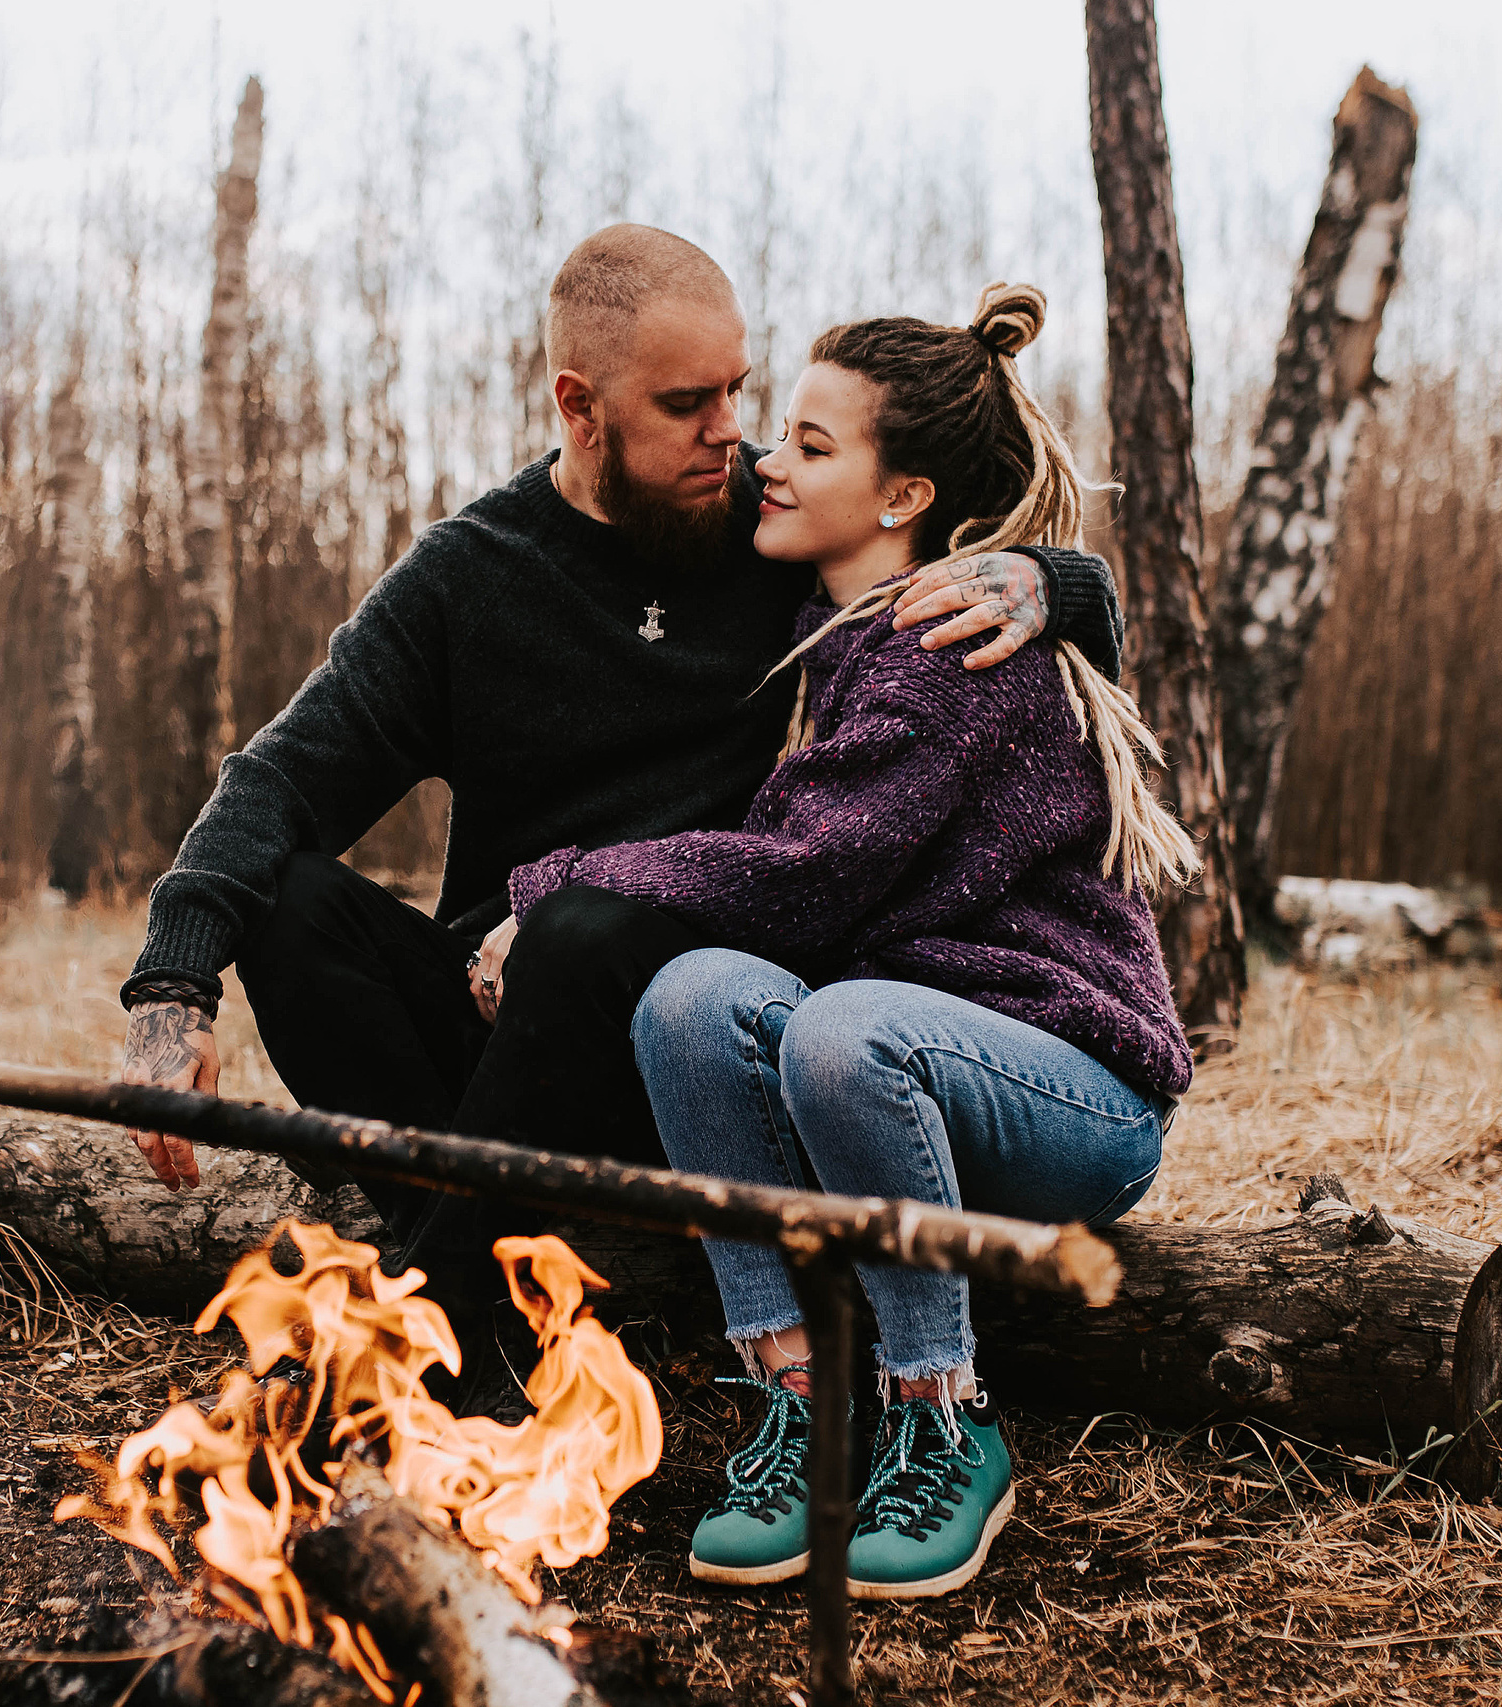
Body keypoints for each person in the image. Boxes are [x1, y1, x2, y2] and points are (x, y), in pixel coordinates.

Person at [111, 227, 1127, 1384]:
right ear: (580, 408)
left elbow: (935, 524)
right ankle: (495, 1245)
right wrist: (170, 993)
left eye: (739, 391)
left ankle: (443, 1320)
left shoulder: (777, 521)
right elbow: (279, 777)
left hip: (681, 1042)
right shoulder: (472, 576)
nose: (732, 434)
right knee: (291, 905)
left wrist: (1057, 582)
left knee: (594, 925)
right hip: (498, 1043)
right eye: (689, 403)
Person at [499, 283, 1195, 1598]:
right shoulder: (833, 629)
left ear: (902, 498)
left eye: (813, 447)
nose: (766, 457)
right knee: (690, 996)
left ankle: (942, 1411)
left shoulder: (949, 649)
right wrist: (1066, 576)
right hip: (897, 1055)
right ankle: (800, 1398)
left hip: (1075, 1096)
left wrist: (552, 883)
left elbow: (804, 880)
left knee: (838, 1017)